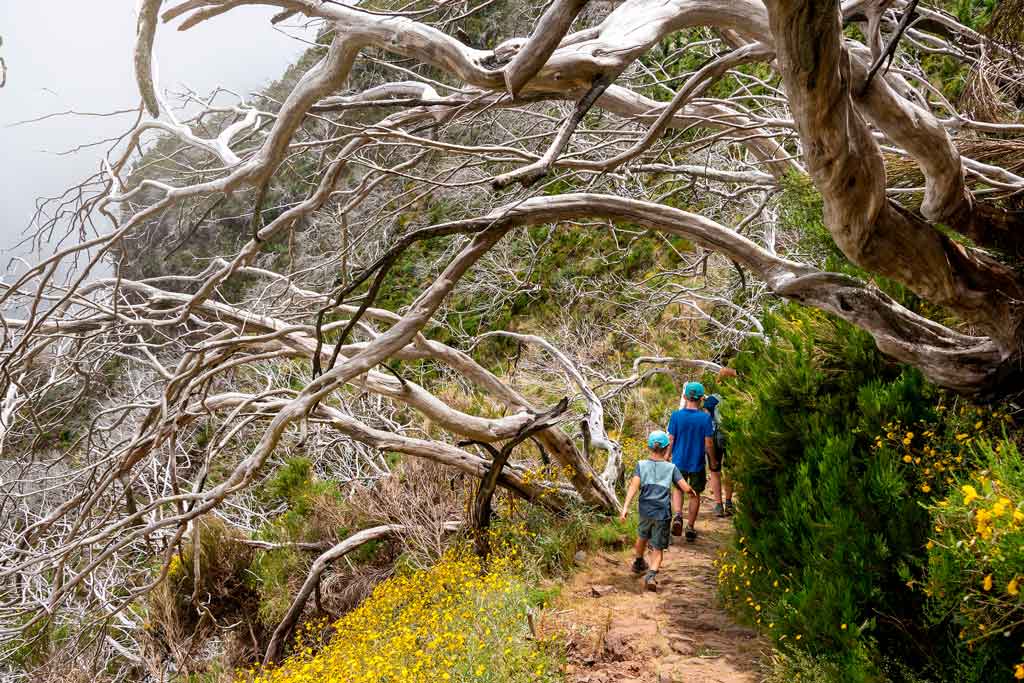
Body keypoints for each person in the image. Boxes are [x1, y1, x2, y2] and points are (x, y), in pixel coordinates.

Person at [619, 430, 696, 591]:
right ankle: (651, 576)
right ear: (667, 448)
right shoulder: (671, 467)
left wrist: (625, 507)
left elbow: (633, 486)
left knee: (642, 536)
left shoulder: (641, 465)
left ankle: (638, 561)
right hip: (662, 513)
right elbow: (684, 487)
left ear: (649, 447)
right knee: (658, 547)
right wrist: (691, 492)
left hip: (645, 510)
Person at [666, 381, 715, 542]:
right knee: (695, 494)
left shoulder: (676, 416)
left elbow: (671, 439)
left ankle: (678, 515)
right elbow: (708, 443)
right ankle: (690, 527)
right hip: (697, 463)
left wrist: (666, 457)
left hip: (679, 461)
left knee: (678, 489)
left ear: (685, 396)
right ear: (701, 399)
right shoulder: (705, 418)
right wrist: (713, 461)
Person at [703, 394, 734, 517]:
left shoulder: (711, 399)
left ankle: (719, 505)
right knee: (729, 470)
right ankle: (729, 503)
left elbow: (707, 420)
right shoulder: (735, 396)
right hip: (731, 436)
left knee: (715, 471)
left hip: (715, 437)